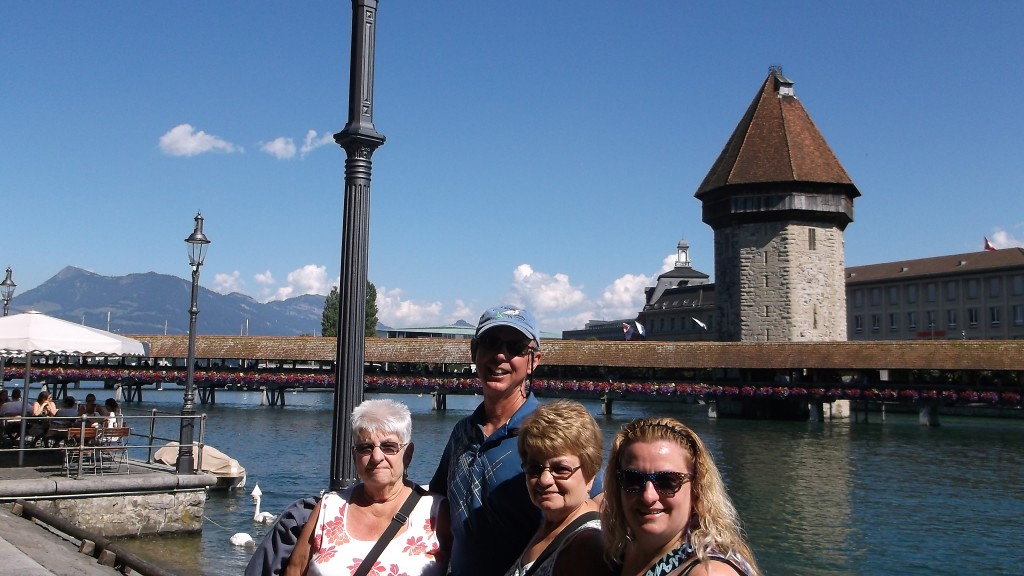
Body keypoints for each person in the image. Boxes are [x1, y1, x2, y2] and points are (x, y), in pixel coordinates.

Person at [429, 305, 602, 576]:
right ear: (475, 351)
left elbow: (597, 506)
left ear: (534, 360)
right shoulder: (462, 433)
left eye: (515, 347)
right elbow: (436, 502)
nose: (500, 355)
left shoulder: (551, 435)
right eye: (490, 343)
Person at [280, 398, 446, 576]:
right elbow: (295, 570)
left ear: (408, 454)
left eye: (389, 447)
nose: (376, 456)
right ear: (354, 456)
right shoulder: (329, 507)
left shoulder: (435, 513)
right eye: (365, 448)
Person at [602, 417, 760, 576]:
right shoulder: (621, 552)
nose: (648, 496)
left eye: (667, 481)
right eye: (633, 480)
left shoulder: (708, 572)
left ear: (696, 488)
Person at [504, 400, 614, 576]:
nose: (545, 480)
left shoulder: (589, 545)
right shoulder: (549, 525)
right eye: (535, 468)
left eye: (561, 469)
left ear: (590, 472)